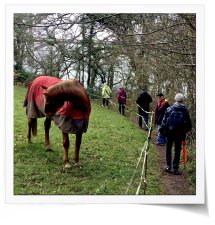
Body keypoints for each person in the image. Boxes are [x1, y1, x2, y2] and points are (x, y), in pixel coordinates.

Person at [159, 93, 192, 175]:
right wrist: (184, 131)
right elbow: (189, 125)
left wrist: (162, 130)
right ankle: (175, 168)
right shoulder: (185, 111)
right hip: (180, 134)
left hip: (170, 132)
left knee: (168, 148)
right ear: (182, 100)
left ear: (175, 99)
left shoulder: (169, 109)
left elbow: (164, 122)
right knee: (177, 150)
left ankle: (168, 166)